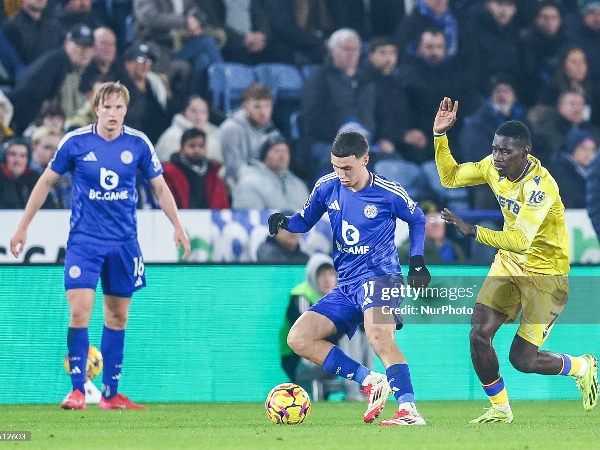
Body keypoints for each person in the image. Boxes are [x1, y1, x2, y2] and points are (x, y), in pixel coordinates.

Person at [9, 81, 191, 410]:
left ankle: (110, 394)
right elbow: (46, 181)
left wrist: (177, 226)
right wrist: (23, 227)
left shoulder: (138, 143)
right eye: (107, 106)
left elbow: (161, 189)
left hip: (124, 244)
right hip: (84, 242)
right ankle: (77, 390)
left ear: (125, 110)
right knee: (79, 311)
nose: (113, 113)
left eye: (119, 107)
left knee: (117, 317)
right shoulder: (76, 142)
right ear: (96, 109)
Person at [432, 96, 598, 423]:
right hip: (509, 264)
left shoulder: (540, 187)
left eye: (505, 151)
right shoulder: (493, 168)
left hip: (546, 276)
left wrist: (472, 231)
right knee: (479, 333)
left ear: (525, 152)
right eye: (495, 148)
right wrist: (440, 137)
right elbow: (450, 177)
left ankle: (583, 366)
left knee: (522, 359)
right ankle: (500, 409)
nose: (496, 157)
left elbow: (521, 241)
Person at [268, 130, 431, 426]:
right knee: (298, 337)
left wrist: (417, 262)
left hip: (382, 278)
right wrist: (285, 221)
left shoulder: (388, 192)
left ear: (365, 160)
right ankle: (370, 381)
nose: (340, 174)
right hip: (347, 286)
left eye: (347, 167)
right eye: (335, 166)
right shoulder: (327, 187)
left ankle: (408, 409)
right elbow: (304, 221)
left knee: (378, 335)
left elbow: (417, 218)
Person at [280, 253, 373, 401]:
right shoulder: (302, 296)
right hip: (300, 363)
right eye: (322, 274)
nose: (327, 279)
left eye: (331, 274)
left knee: (364, 333)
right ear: (312, 277)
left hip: (328, 360)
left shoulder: (340, 298)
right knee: (348, 333)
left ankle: (368, 389)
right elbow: (307, 337)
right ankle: (353, 392)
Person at [232, 134, 309, 211]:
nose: (282, 156)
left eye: (285, 151)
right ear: (264, 155)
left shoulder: (298, 184)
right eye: (277, 151)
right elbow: (250, 218)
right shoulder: (249, 183)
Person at [162, 128, 229, 209]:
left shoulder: (214, 176)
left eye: (201, 146)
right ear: (182, 149)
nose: (197, 150)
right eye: (192, 146)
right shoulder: (169, 173)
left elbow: (222, 207)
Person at [398, 200, 466, 265]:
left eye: (440, 219)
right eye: (431, 220)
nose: (436, 224)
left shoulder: (455, 248)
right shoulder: (408, 249)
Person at [0, 137, 56, 209]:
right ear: (4, 157)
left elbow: (49, 207)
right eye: (13, 154)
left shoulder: (34, 178)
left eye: (22, 156)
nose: (17, 160)